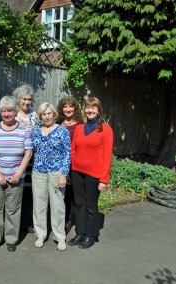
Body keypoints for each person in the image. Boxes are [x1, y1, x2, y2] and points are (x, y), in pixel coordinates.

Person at [0, 95, 33, 252]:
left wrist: (19, 173)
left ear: (15, 111)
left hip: (16, 176)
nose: (6, 114)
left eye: (10, 110)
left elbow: (28, 153)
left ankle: (11, 239)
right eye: (3, 111)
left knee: (13, 208)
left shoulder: (23, 129)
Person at [68, 97, 113, 249]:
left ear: (99, 110)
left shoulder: (105, 129)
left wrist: (103, 180)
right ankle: (80, 233)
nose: (90, 110)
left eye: (93, 108)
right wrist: (72, 169)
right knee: (79, 203)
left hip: (94, 174)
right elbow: (73, 150)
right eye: (88, 107)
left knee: (91, 205)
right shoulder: (80, 128)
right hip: (77, 172)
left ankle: (91, 235)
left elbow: (107, 156)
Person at [31, 102, 71, 251]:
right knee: (39, 204)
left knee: (58, 205)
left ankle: (60, 236)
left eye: (49, 113)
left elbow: (67, 153)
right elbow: (30, 150)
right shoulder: (35, 130)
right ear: (40, 116)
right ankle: (40, 234)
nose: (46, 116)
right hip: (38, 171)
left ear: (54, 114)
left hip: (56, 172)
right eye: (43, 114)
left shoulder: (62, 130)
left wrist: (64, 174)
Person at [56, 96, 83, 234]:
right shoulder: (57, 123)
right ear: (61, 109)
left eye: (70, 106)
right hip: (57, 164)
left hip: (74, 164)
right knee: (59, 193)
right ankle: (58, 218)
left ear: (75, 108)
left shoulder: (80, 125)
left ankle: (69, 220)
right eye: (65, 106)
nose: (68, 109)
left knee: (72, 194)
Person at [13, 84, 37, 234]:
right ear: (18, 99)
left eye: (29, 99)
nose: (27, 102)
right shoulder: (13, 114)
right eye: (24, 99)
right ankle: (15, 223)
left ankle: (27, 223)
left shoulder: (36, 115)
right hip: (15, 159)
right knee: (16, 191)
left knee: (29, 192)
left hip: (32, 159)